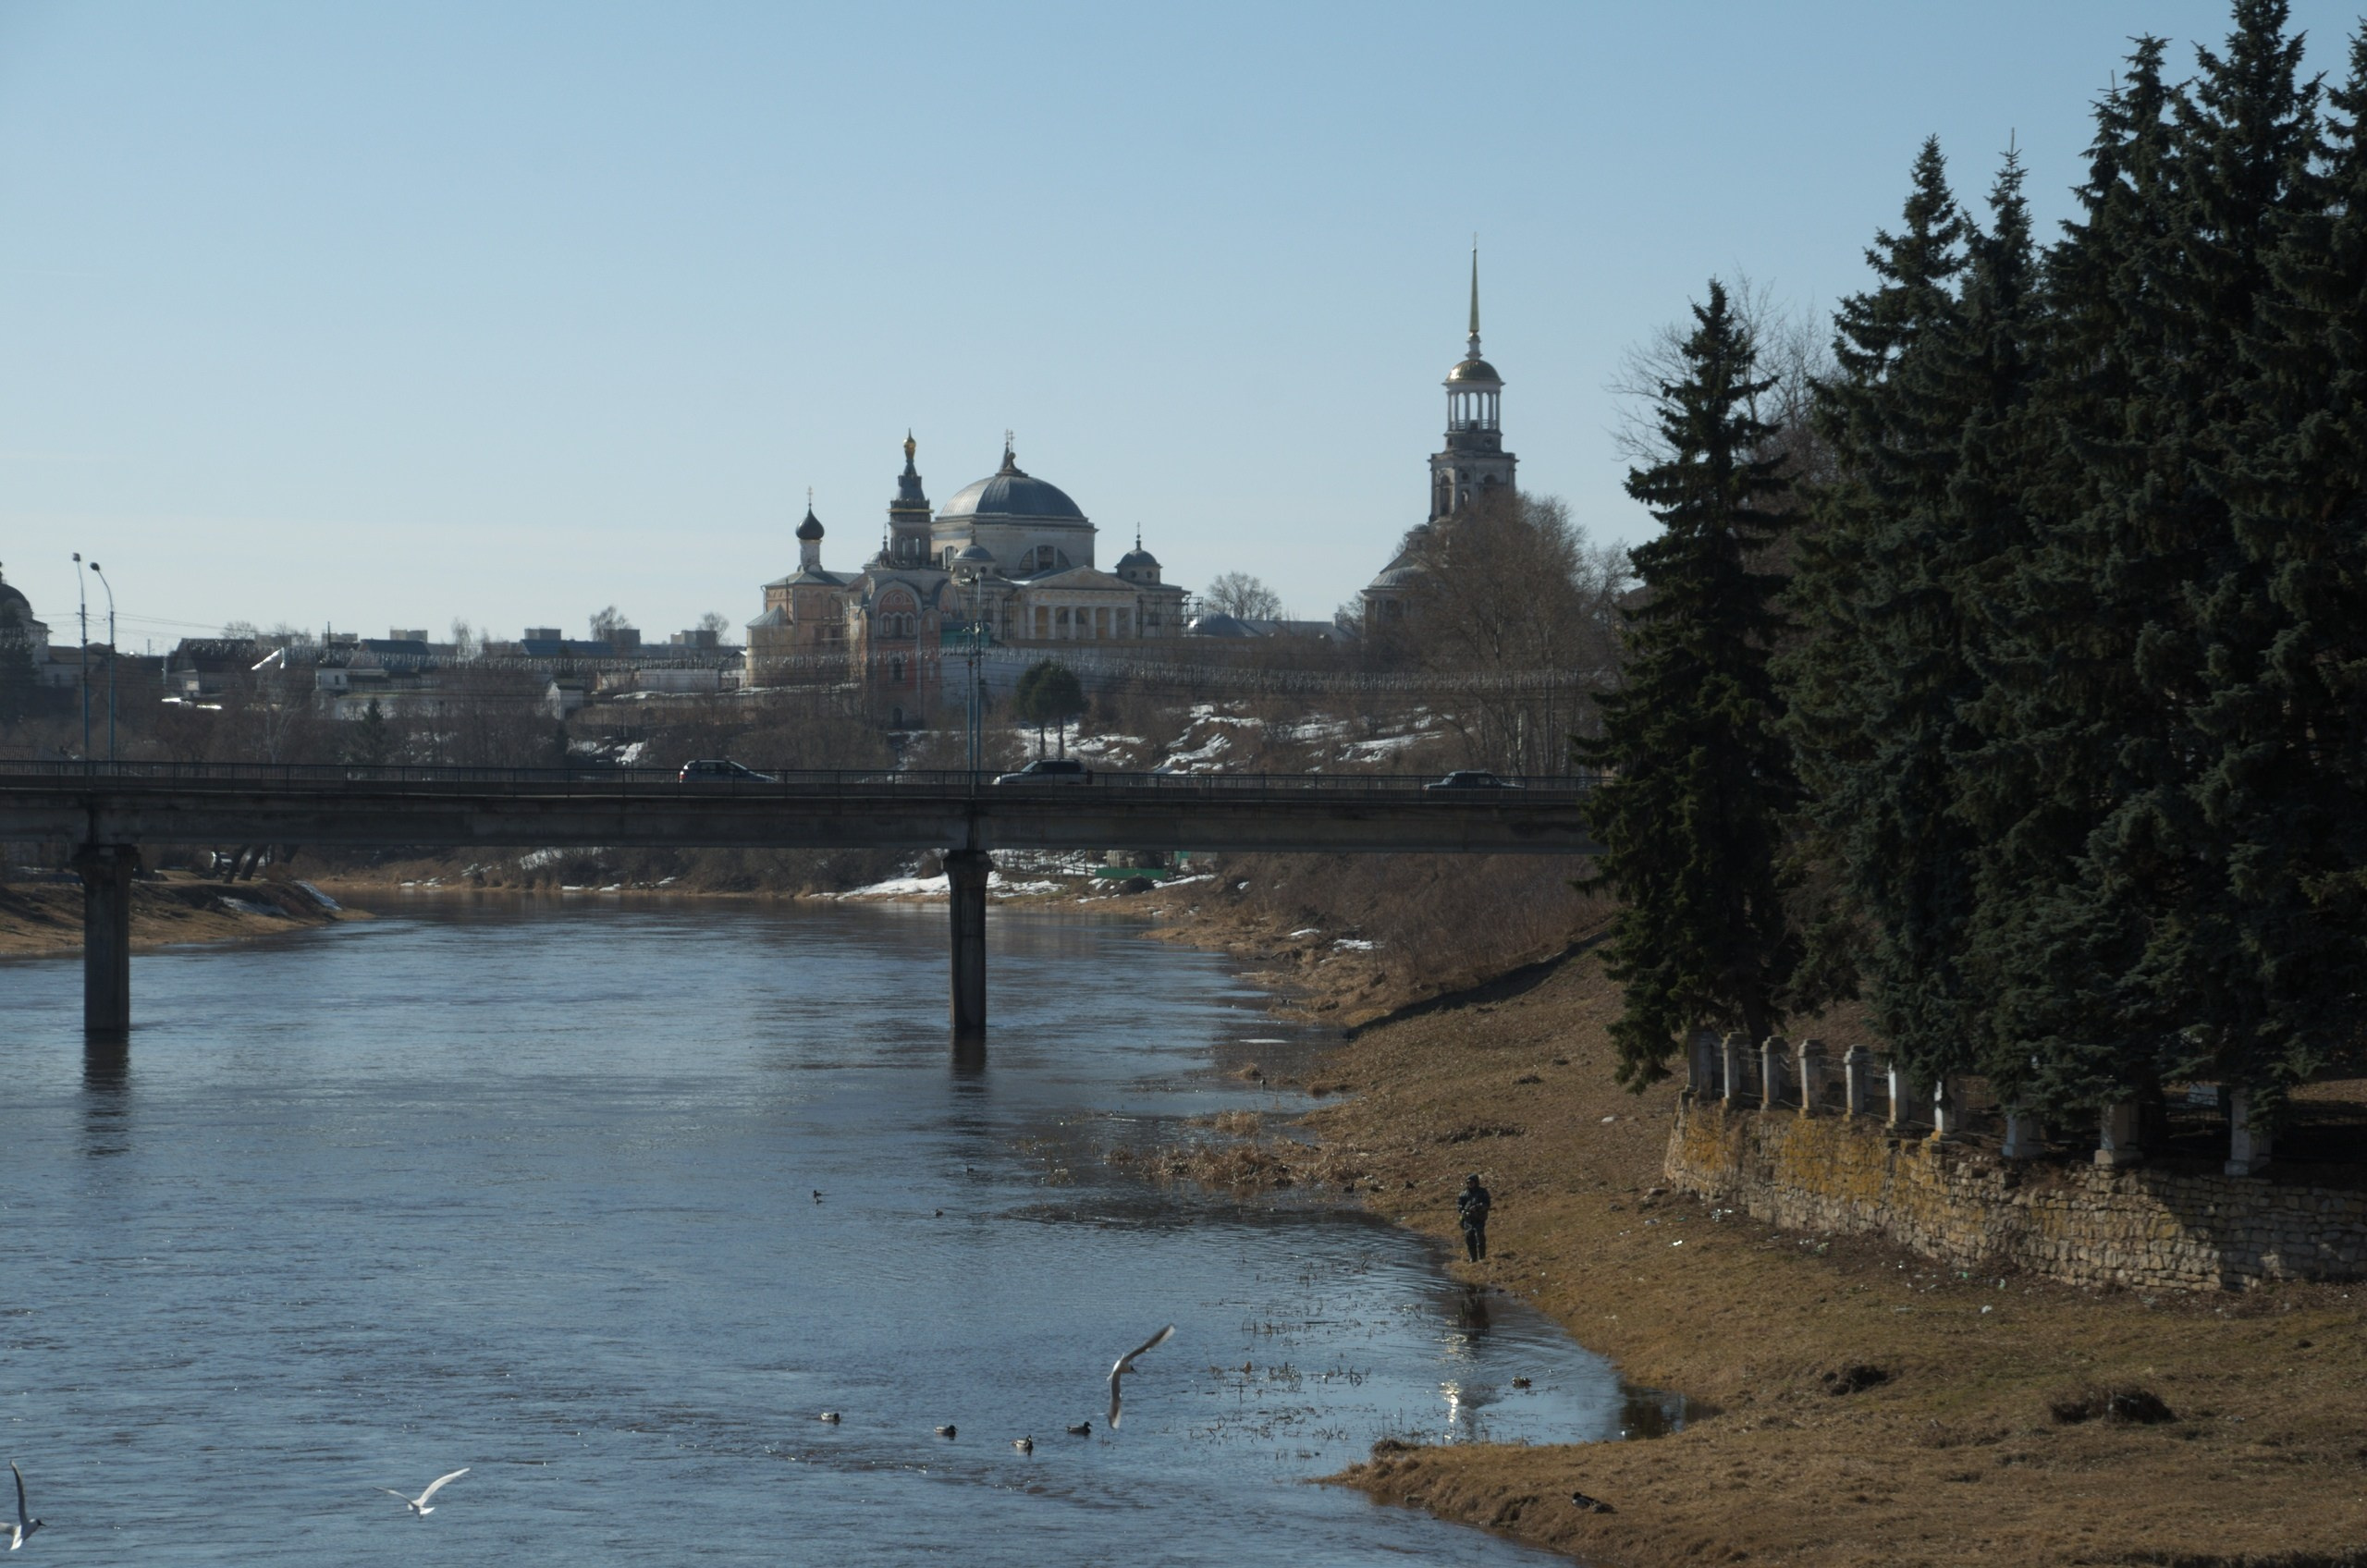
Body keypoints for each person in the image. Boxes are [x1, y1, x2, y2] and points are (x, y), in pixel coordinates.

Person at [1456, 1172, 1492, 1262]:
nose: (1470, 1184)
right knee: (1469, 1238)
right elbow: (1459, 1205)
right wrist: (1462, 1210)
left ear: (1476, 1182)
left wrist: (1477, 1207)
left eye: (1471, 1182)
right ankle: (1472, 1258)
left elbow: (1487, 1204)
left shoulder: (1482, 1192)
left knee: (1479, 1237)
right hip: (1467, 1220)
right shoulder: (1463, 1194)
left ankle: (1482, 1258)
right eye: (1468, 1183)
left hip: (1479, 1219)